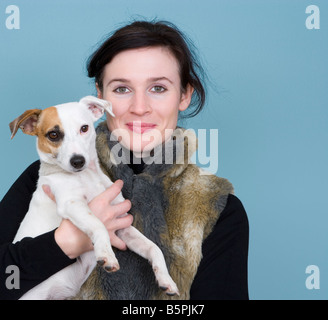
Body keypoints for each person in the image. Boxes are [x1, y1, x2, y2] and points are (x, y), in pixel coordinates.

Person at [0, 20, 249, 300]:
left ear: (184, 95)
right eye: (121, 89)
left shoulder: (216, 207)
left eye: (158, 88)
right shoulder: (44, 176)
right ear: (99, 96)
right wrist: (65, 242)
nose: (139, 108)